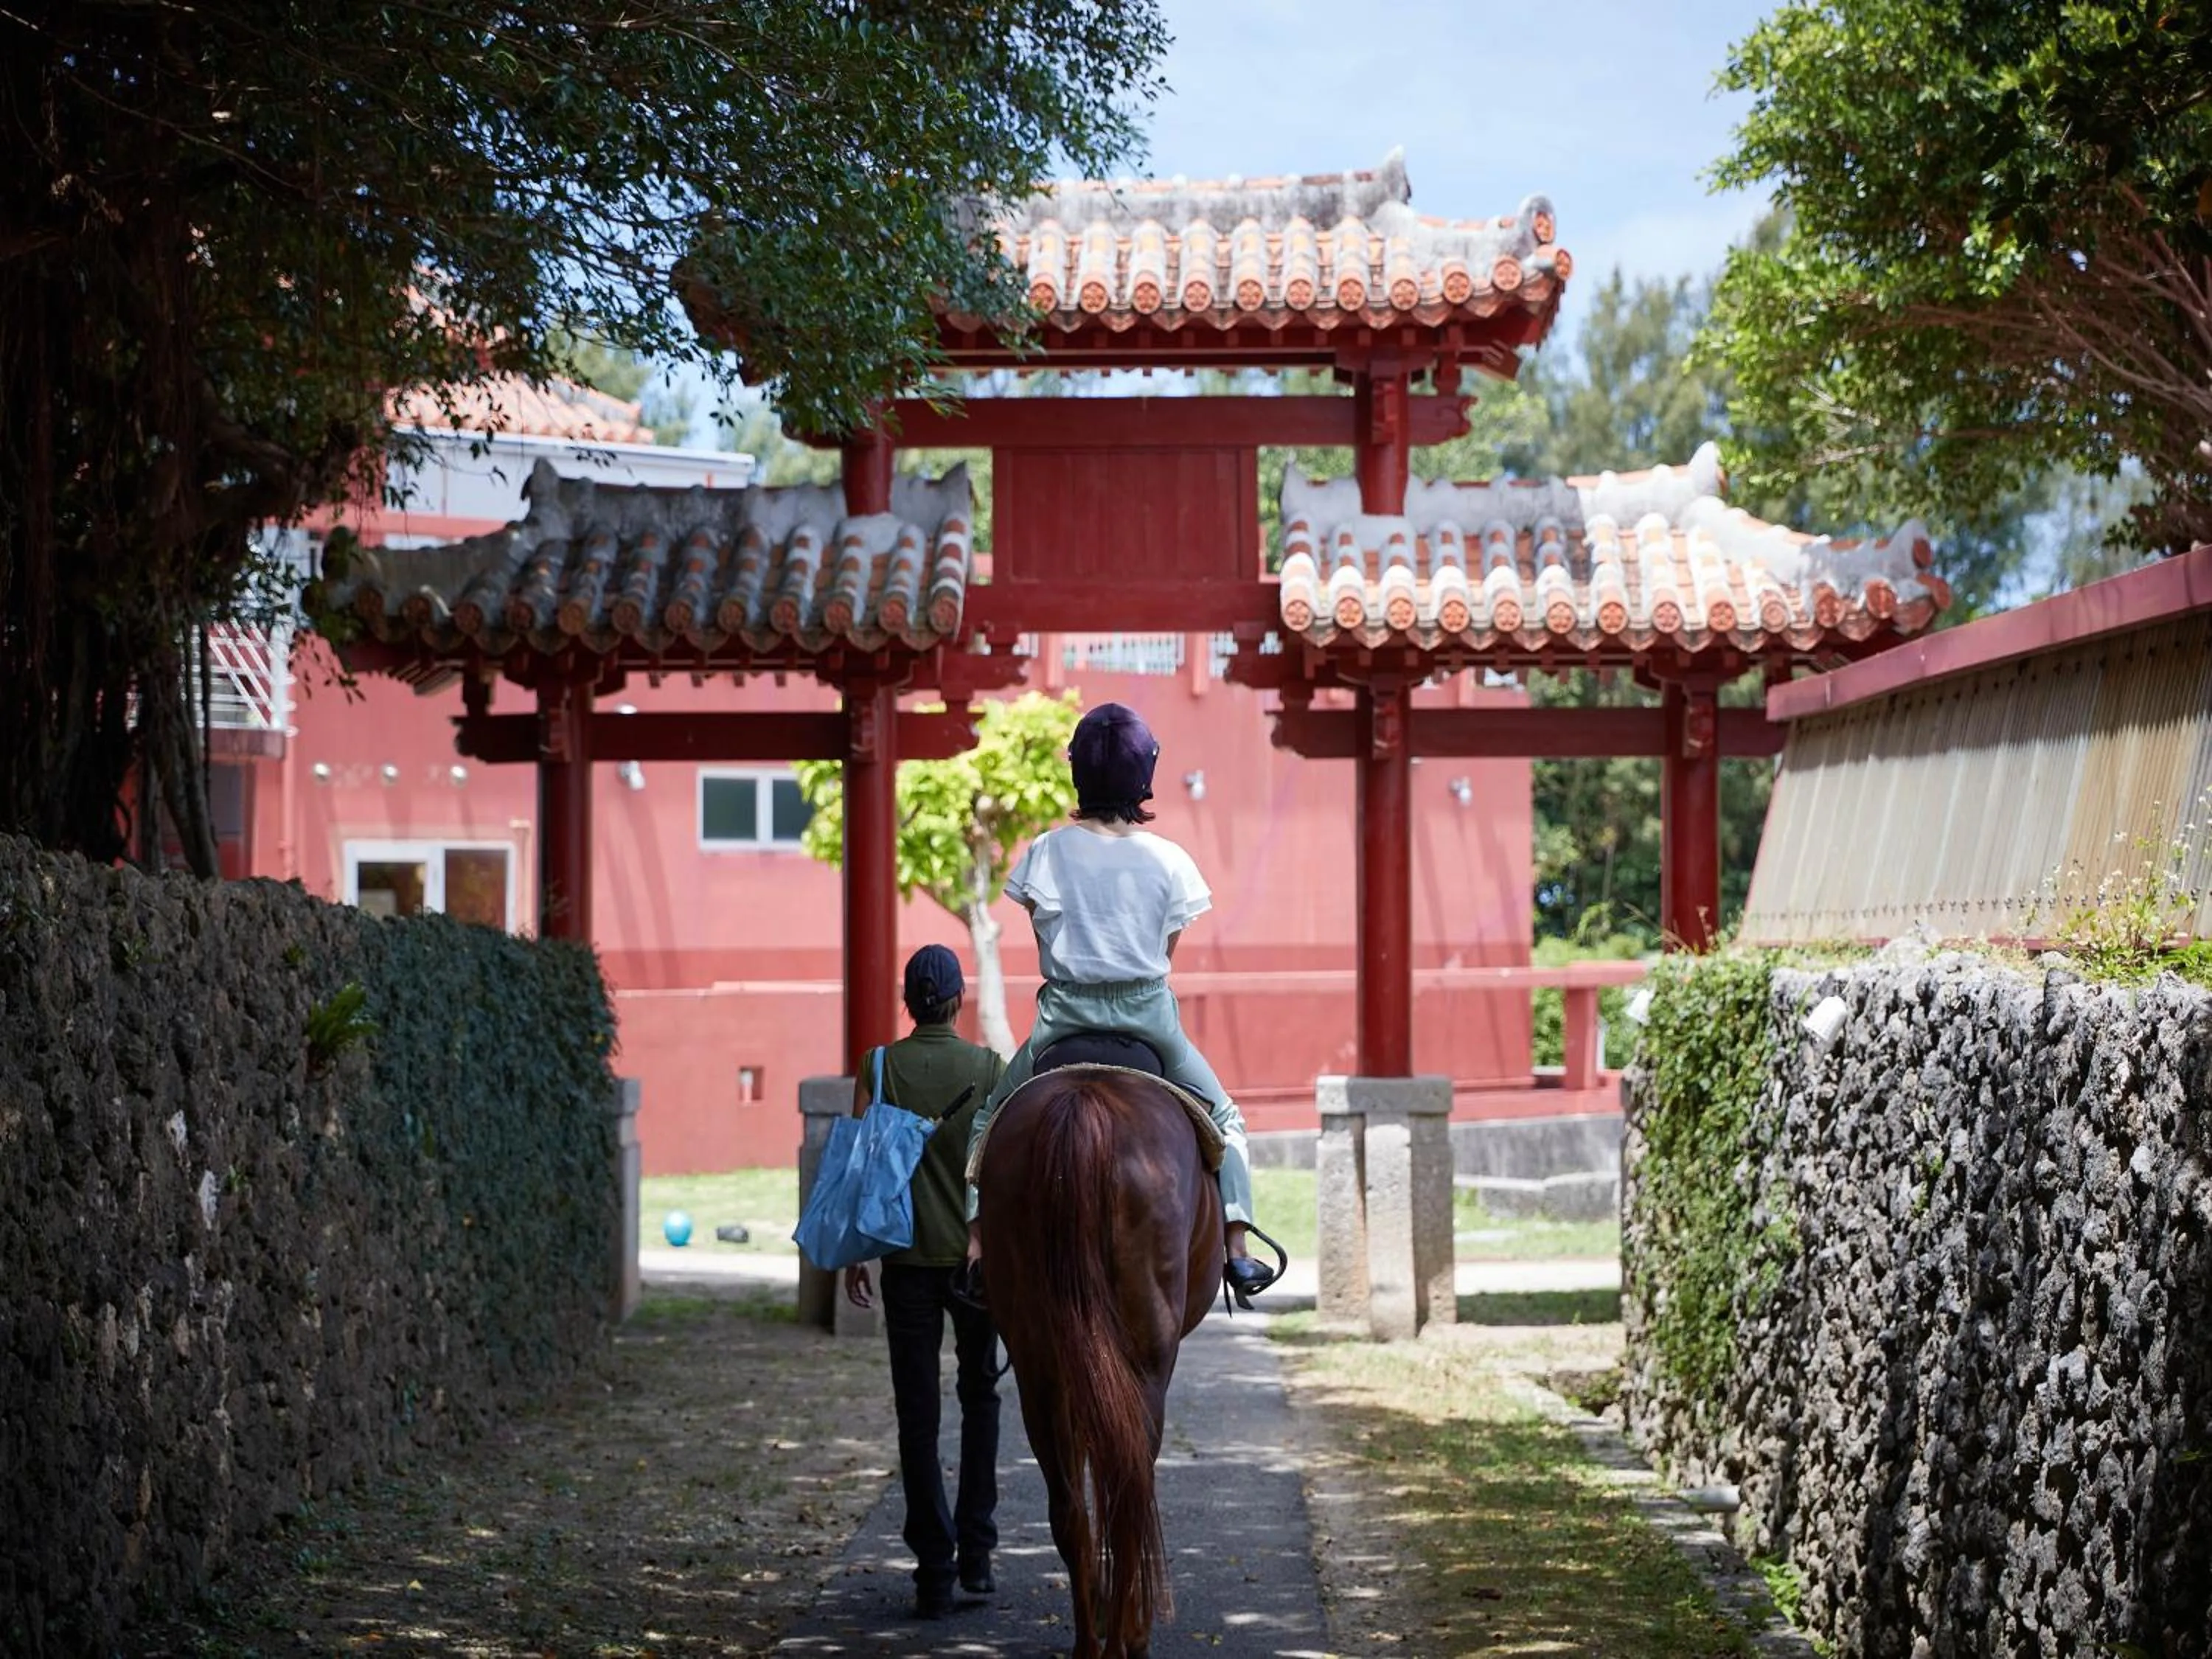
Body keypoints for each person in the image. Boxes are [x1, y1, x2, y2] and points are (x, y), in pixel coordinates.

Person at [963, 701, 1276, 1304]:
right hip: (1149, 1020)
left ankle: (977, 1247)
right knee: (1226, 1120)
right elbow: (1167, 949)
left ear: (1078, 772)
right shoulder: (1170, 860)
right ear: (1144, 775)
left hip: (1062, 1021)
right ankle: (1238, 1249)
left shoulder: (1046, 852)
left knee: (988, 1122)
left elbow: (1041, 930)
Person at [844, 945, 1008, 1621]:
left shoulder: (879, 1067)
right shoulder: (989, 1069)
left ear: (908, 1002)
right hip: (973, 1264)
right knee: (980, 1398)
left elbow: (861, 1168)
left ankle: (933, 1573)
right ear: (959, 1000)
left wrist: (856, 1254)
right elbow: (1000, 1170)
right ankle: (977, 1554)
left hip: (904, 1263)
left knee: (918, 1415)